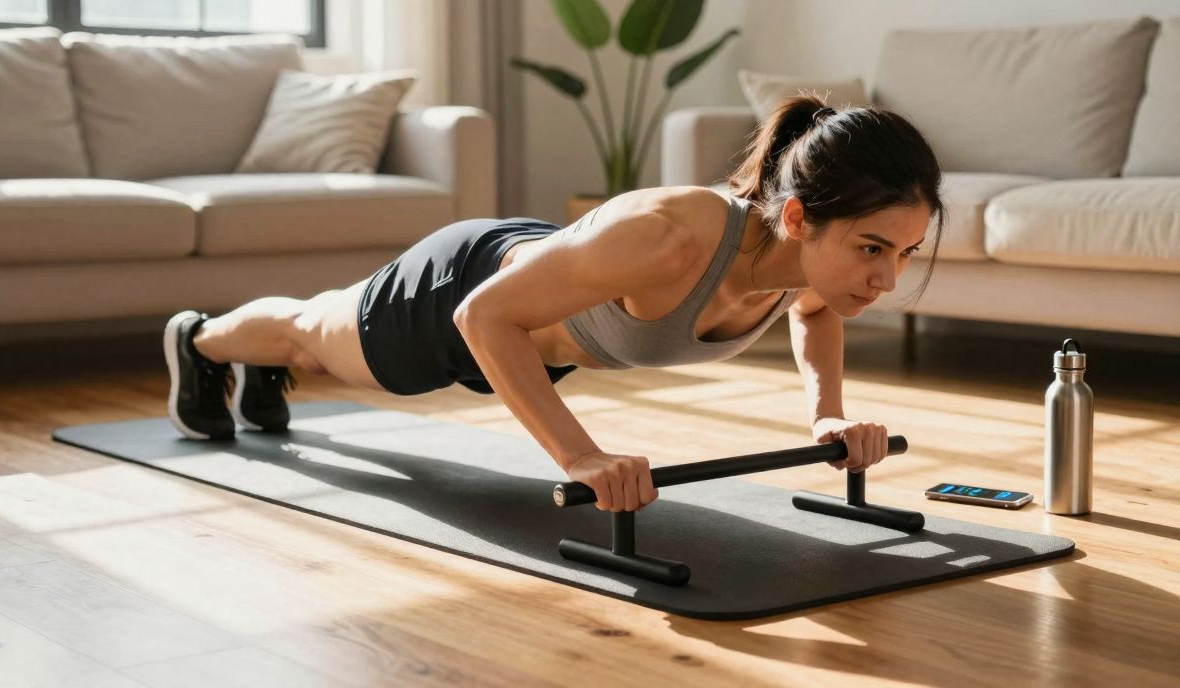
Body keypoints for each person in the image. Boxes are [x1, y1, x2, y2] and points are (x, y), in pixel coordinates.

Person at [163, 92, 947, 514]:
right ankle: (198, 340)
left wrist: (826, 416)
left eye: (905, 253)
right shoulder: (670, 236)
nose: (886, 279)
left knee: (313, 342)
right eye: (872, 250)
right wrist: (579, 457)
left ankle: (254, 367)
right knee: (310, 337)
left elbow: (813, 311)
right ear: (800, 218)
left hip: (544, 307)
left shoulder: (801, 259)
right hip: (462, 289)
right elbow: (482, 317)